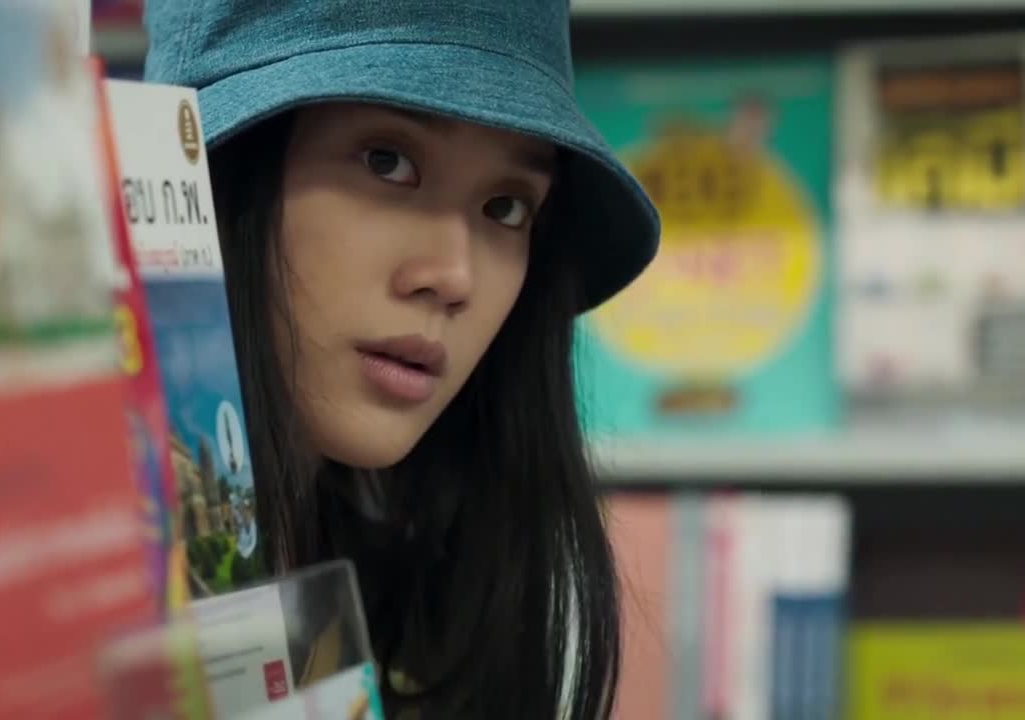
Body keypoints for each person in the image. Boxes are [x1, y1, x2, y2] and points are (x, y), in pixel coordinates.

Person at [142, 1, 661, 717]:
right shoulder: (55, 589)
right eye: (387, 162)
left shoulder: (418, 608)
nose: (453, 277)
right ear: (213, 175)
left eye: (507, 207)